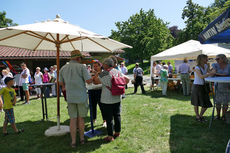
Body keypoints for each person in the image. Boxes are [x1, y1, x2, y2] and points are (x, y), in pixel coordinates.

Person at [59, 50, 93, 148]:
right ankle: (82, 139)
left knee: (72, 119)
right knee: (81, 119)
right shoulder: (81, 67)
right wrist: (94, 77)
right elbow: (88, 81)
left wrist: (67, 84)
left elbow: (60, 82)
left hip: (70, 97)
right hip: (81, 96)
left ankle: (73, 142)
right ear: (78, 58)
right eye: (81, 58)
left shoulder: (63, 68)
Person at [94, 58, 129, 142]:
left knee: (109, 118)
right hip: (117, 97)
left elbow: (95, 82)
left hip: (107, 99)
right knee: (117, 116)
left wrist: (97, 74)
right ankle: (117, 132)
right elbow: (127, 80)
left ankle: (110, 136)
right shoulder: (117, 71)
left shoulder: (104, 74)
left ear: (106, 65)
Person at [191, 54, 213, 122]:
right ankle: (197, 116)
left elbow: (210, 73)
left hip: (203, 86)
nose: (207, 60)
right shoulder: (197, 68)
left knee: (206, 103)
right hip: (197, 86)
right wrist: (209, 73)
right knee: (196, 103)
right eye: (206, 58)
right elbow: (201, 76)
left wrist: (213, 71)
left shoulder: (206, 65)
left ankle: (200, 116)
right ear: (202, 59)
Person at [212, 54, 230, 120]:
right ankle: (218, 115)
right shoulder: (215, 65)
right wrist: (225, 75)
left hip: (227, 85)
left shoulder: (229, 65)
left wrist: (217, 74)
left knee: (225, 102)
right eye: (216, 59)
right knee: (218, 101)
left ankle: (224, 116)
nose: (216, 60)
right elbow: (213, 73)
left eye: (218, 59)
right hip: (218, 85)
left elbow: (215, 73)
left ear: (223, 59)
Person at [89, 61, 106, 126]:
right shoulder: (91, 73)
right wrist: (93, 77)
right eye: (94, 66)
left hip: (101, 91)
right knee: (92, 106)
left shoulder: (103, 73)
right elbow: (90, 81)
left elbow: (97, 82)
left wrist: (95, 76)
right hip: (92, 91)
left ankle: (105, 120)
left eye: (97, 66)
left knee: (102, 106)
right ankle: (93, 119)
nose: (95, 68)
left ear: (100, 66)